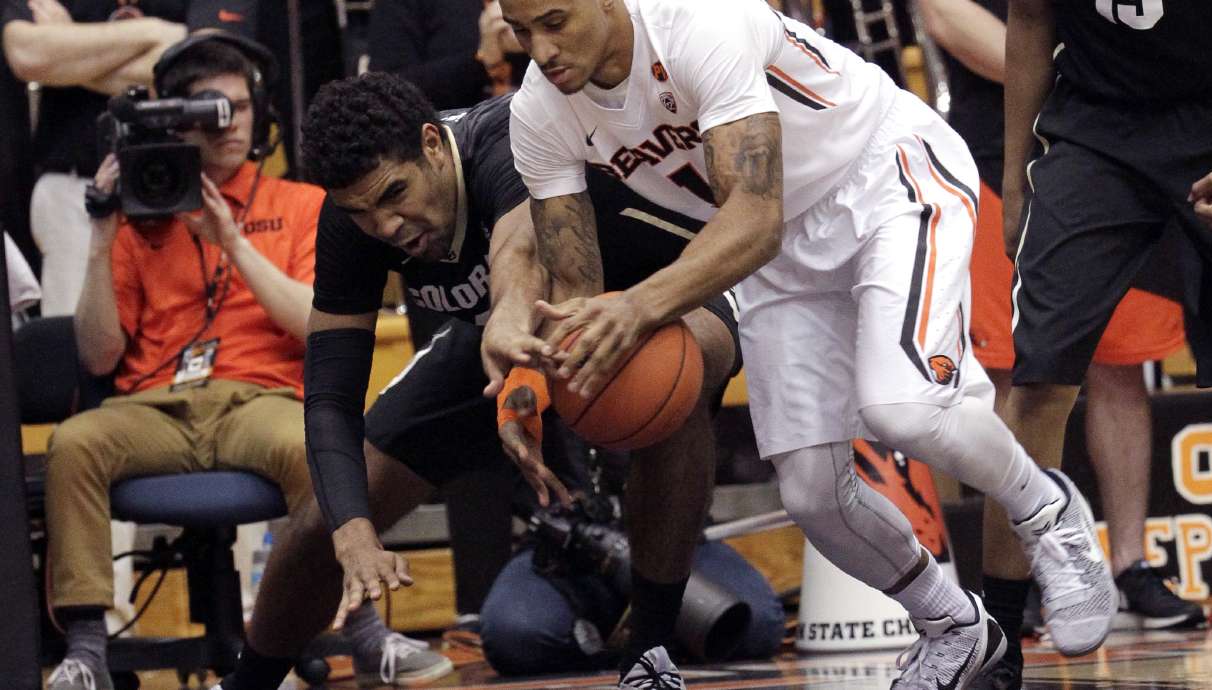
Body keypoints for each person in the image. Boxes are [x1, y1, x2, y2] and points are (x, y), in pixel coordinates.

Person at [492, 0, 1118, 687]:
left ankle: (1047, 511)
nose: (541, 50)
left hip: (883, 178)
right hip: (780, 254)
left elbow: (752, 217)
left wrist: (641, 306)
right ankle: (954, 627)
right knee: (813, 492)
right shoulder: (538, 112)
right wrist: (538, 380)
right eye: (522, 33)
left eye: (554, 22)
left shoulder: (699, 24)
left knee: (904, 409)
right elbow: (579, 287)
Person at [214, 70, 741, 689]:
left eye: (395, 194)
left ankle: (648, 656)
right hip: (500, 332)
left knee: (664, 382)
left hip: (656, 293)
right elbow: (329, 392)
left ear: (433, 146)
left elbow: (523, 260)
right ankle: (246, 682)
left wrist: (525, 385)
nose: (385, 225)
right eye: (362, 211)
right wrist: (353, 532)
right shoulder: (351, 222)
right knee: (327, 514)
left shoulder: (510, 138)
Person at [916, 1, 1204, 686]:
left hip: (1193, 112)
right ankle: (1004, 621)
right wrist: (1022, 169)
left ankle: (1130, 561)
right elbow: (992, 20)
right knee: (1031, 372)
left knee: (1123, 365)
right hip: (1066, 129)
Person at [38, 33, 325, 690]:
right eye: (206, 111)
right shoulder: (142, 220)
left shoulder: (302, 204)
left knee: (322, 442)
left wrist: (233, 244)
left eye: (238, 107)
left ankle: (355, 629)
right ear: (175, 121)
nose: (226, 125)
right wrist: (102, 237)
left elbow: (317, 325)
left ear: (261, 113)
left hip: (262, 400)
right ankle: (87, 651)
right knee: (76, 442)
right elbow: (98, 353)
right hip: (155, 406)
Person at [0, 0, 255, 316]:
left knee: (179, 335)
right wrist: (157, 33)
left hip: (184, 191)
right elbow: (28, 55)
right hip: (77, 190)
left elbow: (210, 60)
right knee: (78, 348)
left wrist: (70, 43)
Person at [479, 441, 786, 675]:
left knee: (758, 624)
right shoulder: (523, 365)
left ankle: (614, 642)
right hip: (564, 548)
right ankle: (649, 643)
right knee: (514, 633)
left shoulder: (671, 360)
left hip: (676, 536)